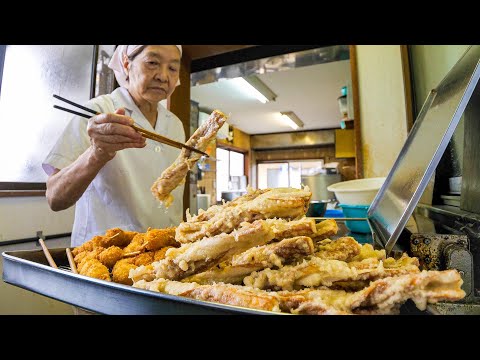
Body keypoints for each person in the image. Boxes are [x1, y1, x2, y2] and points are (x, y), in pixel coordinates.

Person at [43, 45, 185, 248]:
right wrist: (97, 152)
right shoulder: (98, 112)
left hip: (163, 254)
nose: (163, 76)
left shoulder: (175, 125)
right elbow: (55, 198)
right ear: (127, 64)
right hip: (105, 257)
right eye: (152, 63)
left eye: (172, 68)